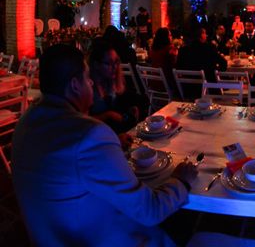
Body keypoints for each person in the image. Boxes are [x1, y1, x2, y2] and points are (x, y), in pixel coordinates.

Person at [12, 44, 197, 246]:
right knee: (187, 221)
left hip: (50, 236)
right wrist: (181, 180)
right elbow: (149, 210)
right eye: (87, 77)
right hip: (99, 238)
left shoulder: (26, 122)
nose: (91, 82)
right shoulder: (90, 134)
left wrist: (111, 145)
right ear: (75, 84)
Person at [88, 39, 141, 135]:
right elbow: (81, 121)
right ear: (96, 65)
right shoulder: (88, 87)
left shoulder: (112, 83)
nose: (115, 67)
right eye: (109, 63)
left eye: (116, 62)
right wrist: (107, 115)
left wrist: (131, 110)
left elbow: (120, 109)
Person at [149, 27, 179, 97]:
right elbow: (174, 64)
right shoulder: (170, 49)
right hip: (165, 83)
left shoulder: (153, 50)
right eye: (170, 35)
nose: (171, 37)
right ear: (165, 37)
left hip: (153, 82)